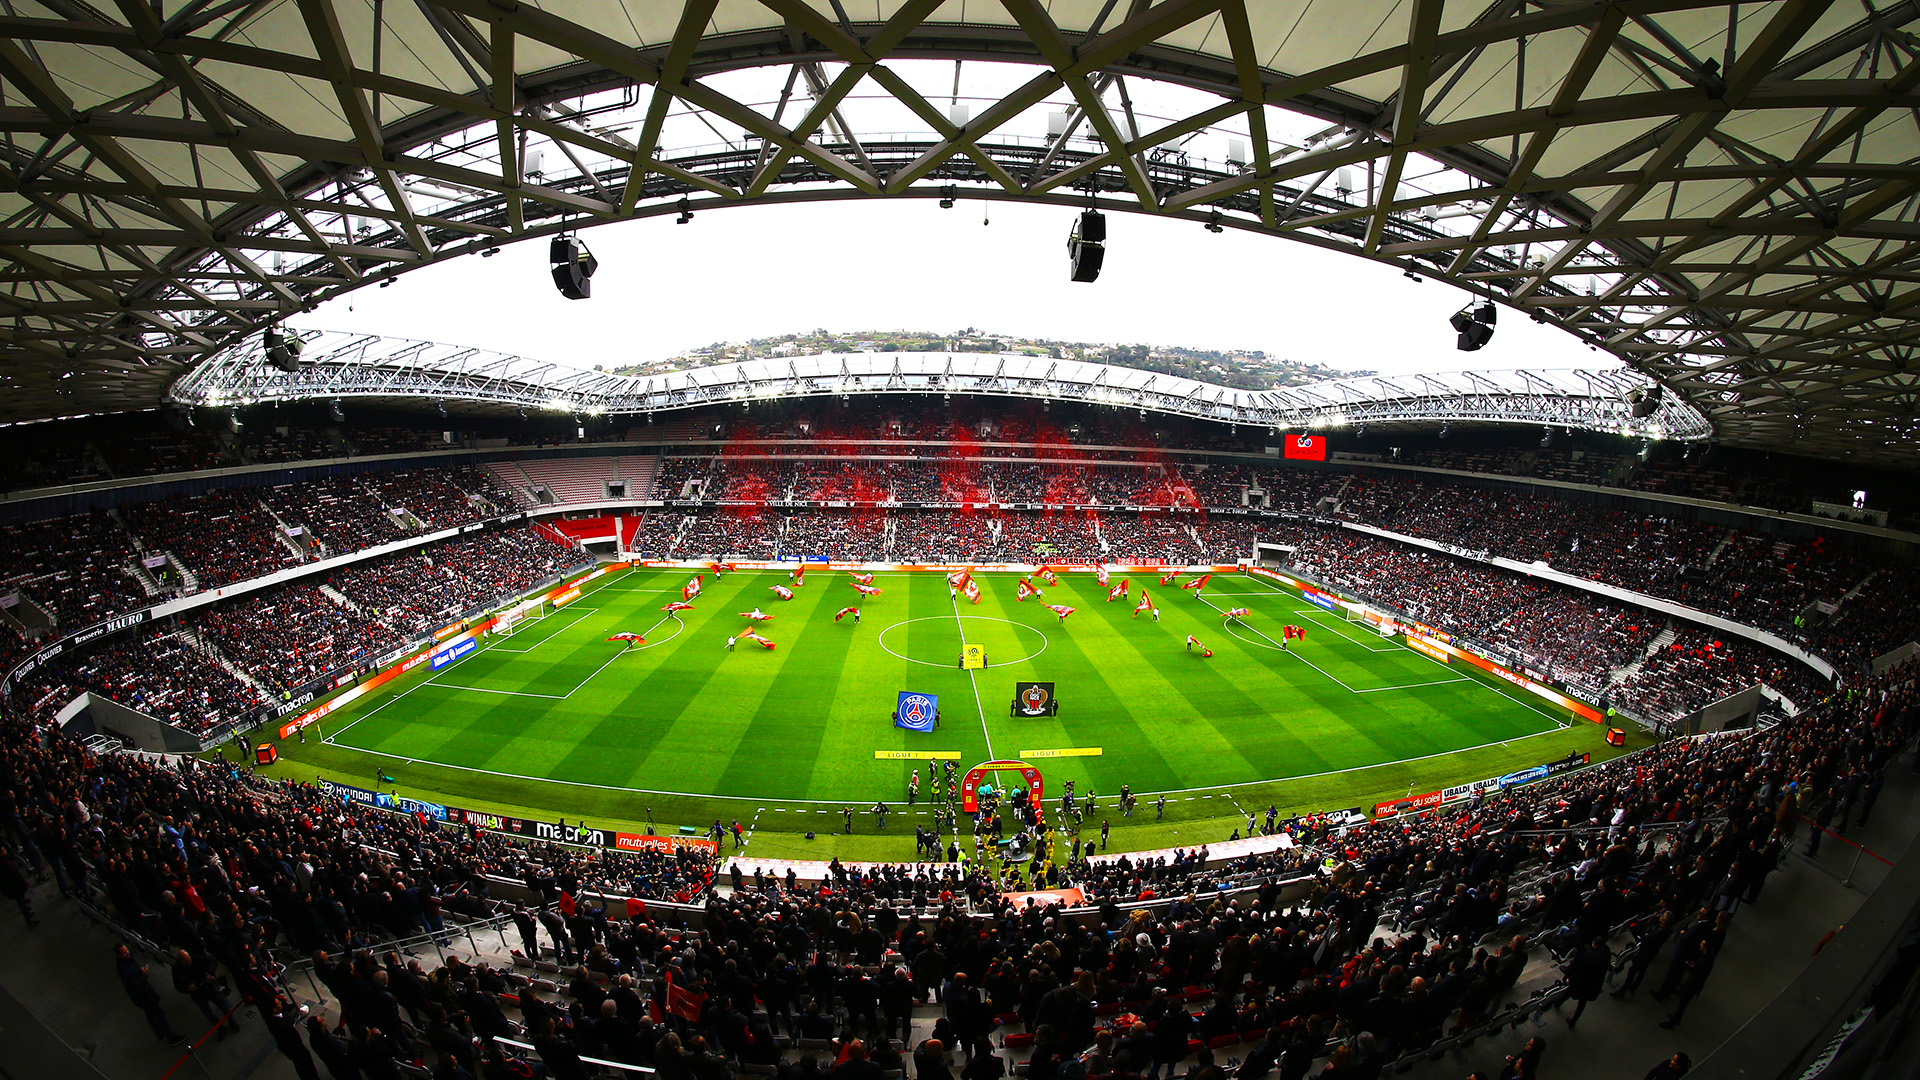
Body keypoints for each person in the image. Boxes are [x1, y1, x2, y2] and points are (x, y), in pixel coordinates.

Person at [115, 943, 185, 1045]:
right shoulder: (125, 969)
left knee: (151, 1014)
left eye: (126, 950)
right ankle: (171, 1038)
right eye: (124, 953)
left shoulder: (125, 962)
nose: (127, 952)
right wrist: (143, 974)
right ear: (119, 955)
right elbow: (136, 983)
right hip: (144, 996)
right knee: (159, 1014)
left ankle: (160, 1033)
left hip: (140, 997)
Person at [172, 948, 240, 1038]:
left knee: (223, 1005)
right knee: (208, 1014)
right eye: (186, 960)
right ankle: (220, 1028)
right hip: (197, 994)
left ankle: (231, 1021)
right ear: (181, 961)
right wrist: (187, 989)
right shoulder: (177, 970)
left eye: (188, 958)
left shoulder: (196, 958)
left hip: (208, 987)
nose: (189, 961)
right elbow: (178, 986)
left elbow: (212, 961)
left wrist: (209, 973)